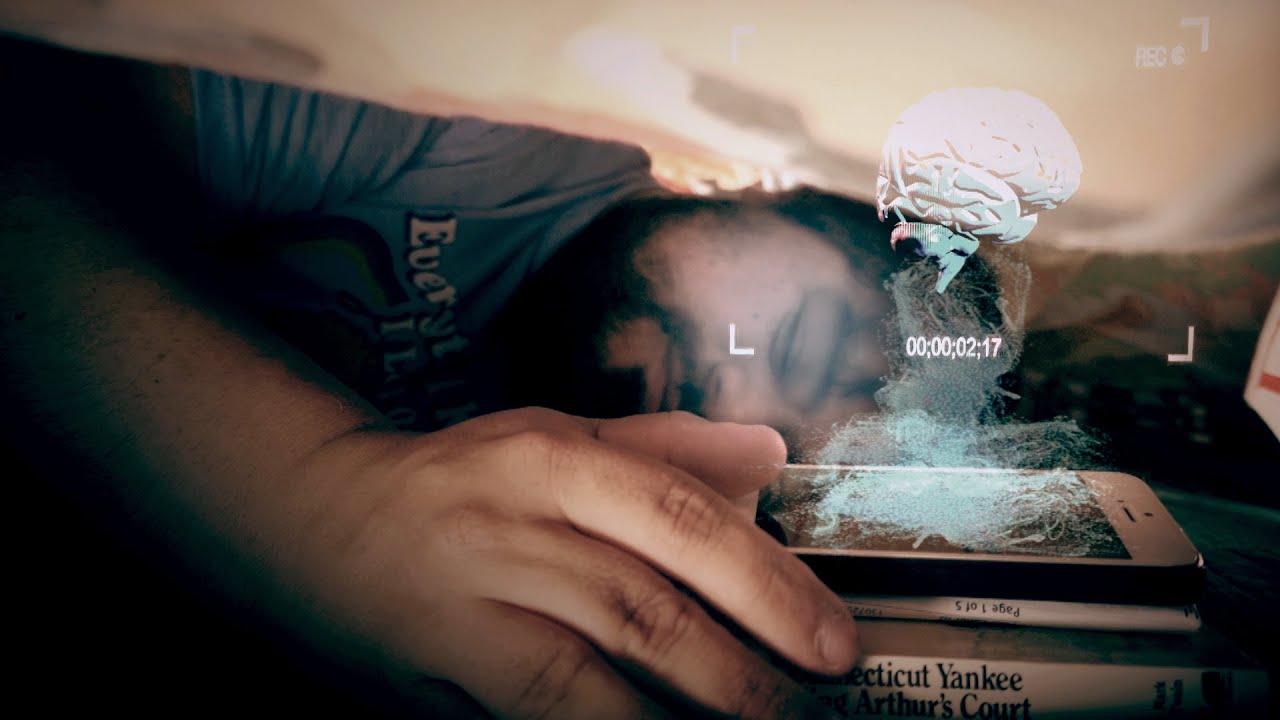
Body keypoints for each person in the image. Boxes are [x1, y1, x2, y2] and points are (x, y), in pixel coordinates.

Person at [0, 41, 983, 718]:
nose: (725, 414)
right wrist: (320, 499)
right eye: (803, 347)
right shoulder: (476, 123)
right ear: (773, 192)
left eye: (783, 464)